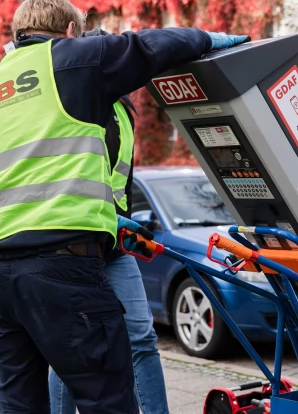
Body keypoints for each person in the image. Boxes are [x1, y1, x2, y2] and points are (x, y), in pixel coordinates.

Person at [0, 0, 248, 413]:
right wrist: (207, 37)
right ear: (72, 31)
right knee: (106, 398)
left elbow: (18, 166)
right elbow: (151, 46)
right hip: (62, 266)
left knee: (19, 404)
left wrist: (106, 218)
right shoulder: (71, 59)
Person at [46, 29, 170, 414]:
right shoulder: (73, 103)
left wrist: (123, 221)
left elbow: (119, 178)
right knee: (70, 348)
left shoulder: (121, 108)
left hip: (116, 244)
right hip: (78, 238)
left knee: (141, 338)